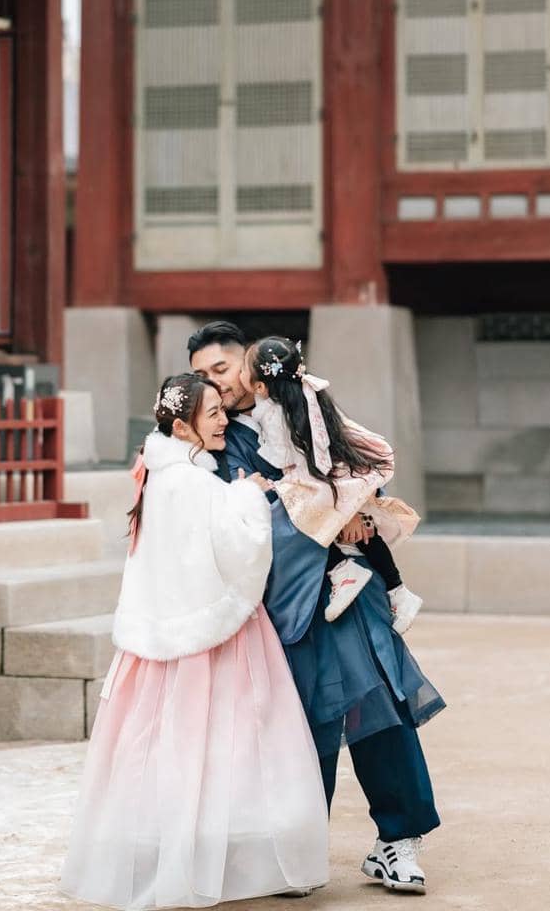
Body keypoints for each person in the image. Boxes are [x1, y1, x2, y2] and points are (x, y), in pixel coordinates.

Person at [190, 321, 445, 896]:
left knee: (380, 704)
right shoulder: (215, 439)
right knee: (301, 724)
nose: (216, 382)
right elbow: (235, 520)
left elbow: (350, 467)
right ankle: (297, 850)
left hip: (349, 588)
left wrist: (355, 507)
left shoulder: (300, 406)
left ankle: (398, 838)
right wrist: (328, 517)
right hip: (283, 599)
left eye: (222, 369)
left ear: (249, 366)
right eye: (202, 375)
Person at [60, 372, 329, 910]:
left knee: (167, 745)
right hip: (216, 632)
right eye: (213, 414)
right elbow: (240, 549)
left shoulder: (158, 477)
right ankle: (235, 862)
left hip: (162, 632)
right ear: (183, 427)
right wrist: (250, 496)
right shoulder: (197, 484)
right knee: (237, 738)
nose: (224, 420)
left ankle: (175, 853)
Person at [241, 335, 424, 634]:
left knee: (303, 515)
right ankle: (396, 590)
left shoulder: (277, 415)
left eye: (241, 369)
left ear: (260, 387)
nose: (238, 374)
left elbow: (283, 458)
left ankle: (347, 572)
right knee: (354, 530)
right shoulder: (305, 396)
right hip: (337, 473)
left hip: (322, 477)